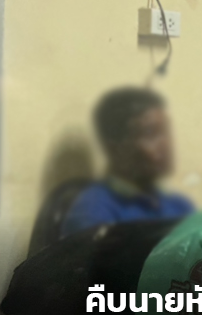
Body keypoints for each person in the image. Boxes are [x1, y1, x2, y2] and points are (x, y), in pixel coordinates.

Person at [60, 87, 194, 237]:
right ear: (116, 149)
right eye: (150, 133)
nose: (165, 144)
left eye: (165, 131)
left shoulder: (178, 206)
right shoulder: (93, 212)